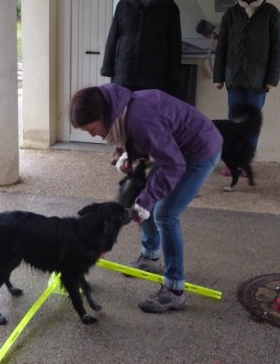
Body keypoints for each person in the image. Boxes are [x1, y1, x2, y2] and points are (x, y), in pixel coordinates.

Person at [70, 83, 222, 313]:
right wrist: (130, 155)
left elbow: (173, 163)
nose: (94, 135)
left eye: (92, 128)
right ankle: (151, 257)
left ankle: (174, 290)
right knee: (145, 199)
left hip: (199, 151)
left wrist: (147, 201)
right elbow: (149, 141)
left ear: (105, 115)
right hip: (177, 151)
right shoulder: (122, 109)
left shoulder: (139, 118)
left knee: (164, 213)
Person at [100, 0, 182, 165]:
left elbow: (175, 43)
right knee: (120, 112)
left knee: (146, 114)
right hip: (125, 68)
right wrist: (108, 67)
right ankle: (119, 148)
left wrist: (174, 73)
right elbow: (113, 35)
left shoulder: (170, 7)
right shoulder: (124, 4)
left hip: (153, 71)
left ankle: (142, 152)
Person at [213, 0, 280, 175]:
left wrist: (272, 79)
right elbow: (222, 47)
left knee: (251, 123)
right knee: (233, 123)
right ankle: (231, 162)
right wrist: (218, 76)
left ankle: (245, 161)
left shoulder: (272, 14)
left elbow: (278, 48)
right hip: (234, 79)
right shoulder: (231, 14)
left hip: (258, 81)